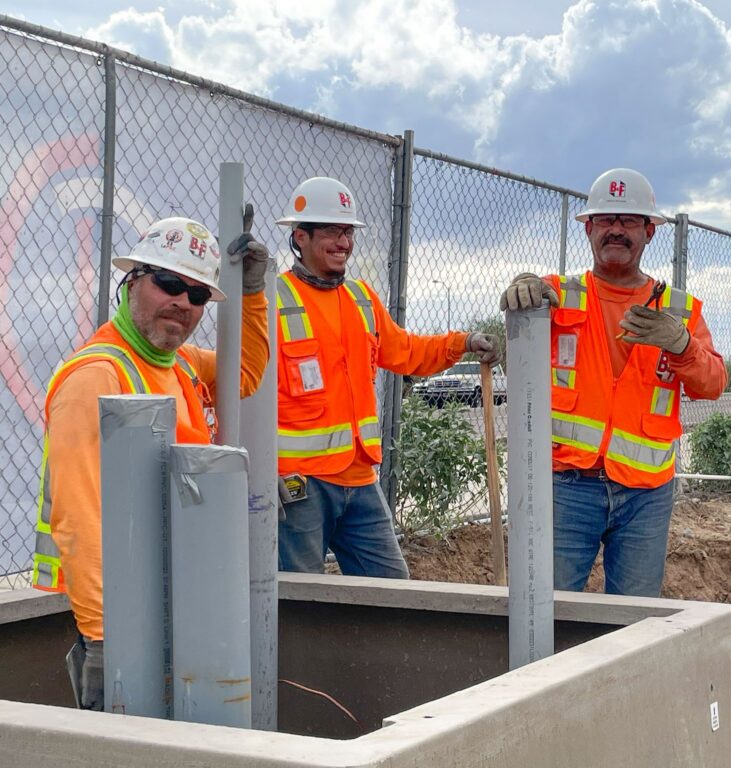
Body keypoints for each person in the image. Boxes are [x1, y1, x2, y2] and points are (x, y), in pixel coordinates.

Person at [32, 215, 271, 710]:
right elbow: (79, 518)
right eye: (169, 283)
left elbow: (243, 373)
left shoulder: (176, 363)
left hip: (176, 599)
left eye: (198, 295)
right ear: (132, 281)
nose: (183, 303)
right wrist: (105, 636)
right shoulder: (97, 377)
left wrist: (251, 293)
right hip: (122, 622)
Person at [500, 168, 727, 597]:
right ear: (588, 229)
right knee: (546, 612)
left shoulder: (680, 311)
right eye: (606, 220)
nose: (616, 231)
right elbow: (518, 365)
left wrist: (682, 346)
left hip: (646, 494)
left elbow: (713, 384)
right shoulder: (555, 297)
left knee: (631, 626)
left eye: (628, 222)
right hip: (566, 486)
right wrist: (521, 306)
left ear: (649, 232)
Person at [274, 176, 497, 578]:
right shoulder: (269, 301)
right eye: (331, 231)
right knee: (300, 602)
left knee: (393, 592)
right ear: (300, 236)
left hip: (360, 479)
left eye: (347, 231)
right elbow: (243, 385)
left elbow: (407, 352)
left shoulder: (362, 299)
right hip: (299, 485)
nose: (343, 242)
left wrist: (462, 342)